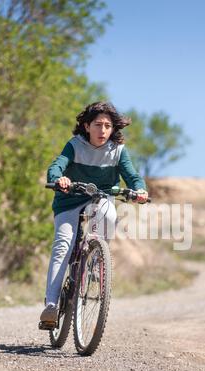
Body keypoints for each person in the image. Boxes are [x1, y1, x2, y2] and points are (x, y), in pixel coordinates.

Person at [40, 102, 148, 328]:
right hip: (69, 199)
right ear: (87, 126)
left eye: (108, 126)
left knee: (108, 216)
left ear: (113, 129)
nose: (103, 130)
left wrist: (139, 189)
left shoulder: (117, 151)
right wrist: (60, 178)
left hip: (100, 197)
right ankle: (50, 306)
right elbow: (57, 165)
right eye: (98, 125)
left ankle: (96, 257)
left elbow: (132, 176)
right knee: (63, 244)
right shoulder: (75, 145)